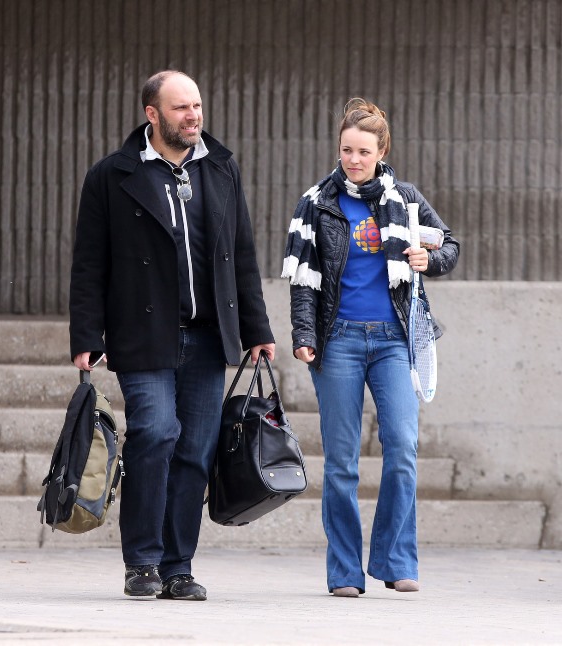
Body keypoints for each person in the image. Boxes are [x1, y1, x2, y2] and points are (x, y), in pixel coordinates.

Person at [69, 70, 275, 601]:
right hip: (143, 334)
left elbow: (241, 254)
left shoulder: (221, 168)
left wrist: (257, 328)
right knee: (156, 433)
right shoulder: (112, 175)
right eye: (182, 108)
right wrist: (86, 334)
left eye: (197, 106)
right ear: (152, 114)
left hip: (209, 336)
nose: (193, 116)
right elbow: (89, 262)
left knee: (195, 450)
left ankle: (178, 566)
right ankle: (142, 561)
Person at [282, 98, 459, 597]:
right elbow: (303, 281)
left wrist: (429, 260)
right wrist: (303, 336)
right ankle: (344, 571)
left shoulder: (406, 199)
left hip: (393, 341)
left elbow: (449, 245)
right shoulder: (317, 203)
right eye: (346, 150)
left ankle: (395, 560)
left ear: (382, 151)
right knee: (341, 462)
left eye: (363, 151)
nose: (353, 160)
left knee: (402, 448)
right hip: (338, 340)